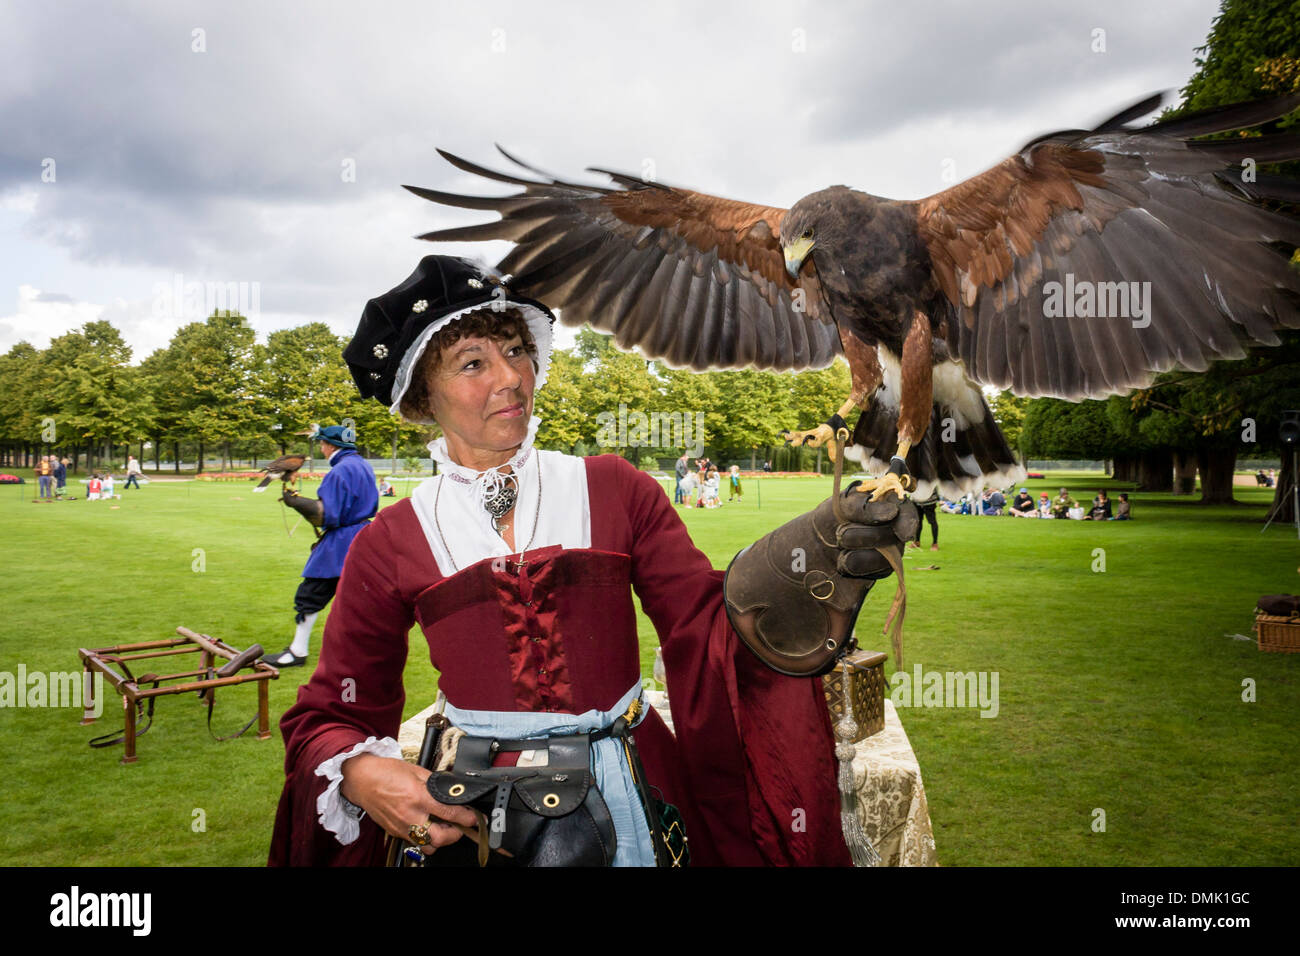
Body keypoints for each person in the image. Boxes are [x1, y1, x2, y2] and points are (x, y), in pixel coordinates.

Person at [268, 256, 914, 868]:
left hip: (640, 783)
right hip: (480, 805)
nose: (510, 378)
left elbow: (706, 629)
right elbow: (334, 707)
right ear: (419, 397)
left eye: (515, 350)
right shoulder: (393, 538)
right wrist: (358, 770)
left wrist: (800, 566)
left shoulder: (615, 486)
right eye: (472, 363)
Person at [260, 425, 379, 668]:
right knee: (359, 598)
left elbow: (326, 516)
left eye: (323, 444)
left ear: (331, 446)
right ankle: (365, 653)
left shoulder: (340, 471)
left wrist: (296, 502)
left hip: (342, 542)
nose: (322, 449)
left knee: (310, 594)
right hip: (366, 537)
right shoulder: (363, 465)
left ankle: (297, 651)